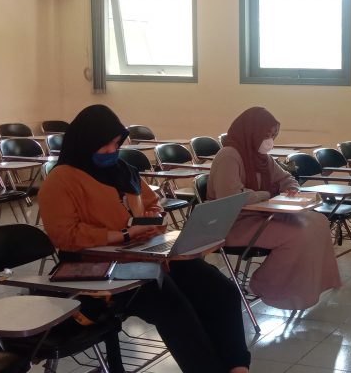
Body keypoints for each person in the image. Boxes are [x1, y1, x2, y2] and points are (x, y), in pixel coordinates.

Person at [38, 104, 250, 373]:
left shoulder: (123, 170)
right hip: (99, 265)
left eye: (116, 144)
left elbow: (152, 202)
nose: (111, 151)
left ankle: (237, 367)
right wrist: (124, 234)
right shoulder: (61, 180)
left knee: (220, 290)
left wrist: (152, 216)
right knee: (173, 307)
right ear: (85, 141)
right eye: (105, 145)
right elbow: (65, 235)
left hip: (143, 253)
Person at [208, 106, 341, 310]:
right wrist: (267, 194)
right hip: (233, 224)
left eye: (272, 135)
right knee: (296, 234)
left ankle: (308, 286)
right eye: (265, 135)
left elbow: (287, 179)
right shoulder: (229, 156)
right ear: (251, 133)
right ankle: (261, 283)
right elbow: (232, 197)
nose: (269, 141)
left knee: (319, 222)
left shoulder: (261, 157)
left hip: (261, 216)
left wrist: (291, 189)